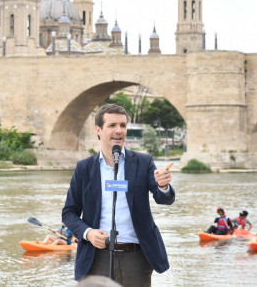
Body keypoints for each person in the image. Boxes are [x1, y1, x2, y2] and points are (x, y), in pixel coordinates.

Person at [62, 104, 175, 285]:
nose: (119, 131)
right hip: (95, 257)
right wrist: (88, 233)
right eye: (112, 125)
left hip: (136, 258)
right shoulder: (84, 168)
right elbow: (69, 212)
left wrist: (163, 186)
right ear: (98, 129)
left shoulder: (143, 162)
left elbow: (164, 199)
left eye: (123, 125)